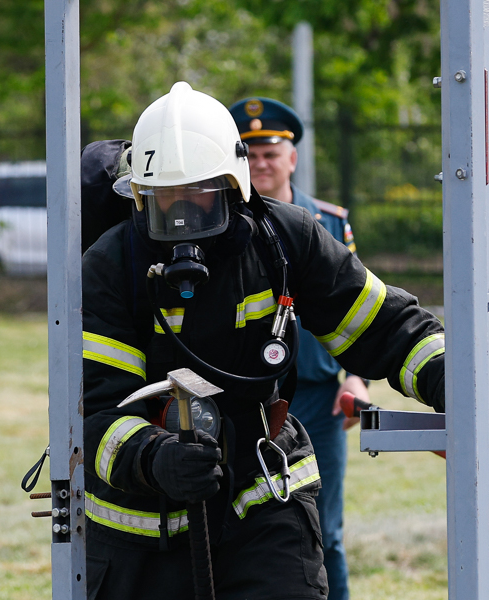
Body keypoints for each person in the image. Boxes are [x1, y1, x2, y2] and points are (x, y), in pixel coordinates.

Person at [82, 81, 445, 599]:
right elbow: (95, 414)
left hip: (264, 493)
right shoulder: (109, 267)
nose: (184, 218)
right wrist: (153, 457)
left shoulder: (285, 238)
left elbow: (384, 327)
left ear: (235, 187)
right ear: (140, 198)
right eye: (166, 204)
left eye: (200, 199)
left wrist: (449, 378)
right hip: (142, 530)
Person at [228, 96, 366, 600]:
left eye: (271, 153)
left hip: (314, 395)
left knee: (323, 528)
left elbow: (357, 309)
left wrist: (357, 377)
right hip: (244, 394)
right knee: (246, 525)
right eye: (250, 154)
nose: (261, 164)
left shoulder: (329, 223)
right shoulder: (222, 221)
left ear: (292, 157)